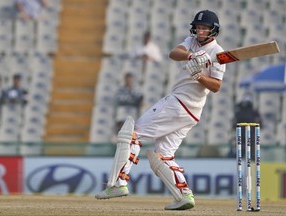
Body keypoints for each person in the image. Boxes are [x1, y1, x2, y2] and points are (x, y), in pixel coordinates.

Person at [95, 10, 226, 211]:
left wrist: (199, 75)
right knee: (163, 155)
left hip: (180, 104)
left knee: (131, 135)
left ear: (213, 30)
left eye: (204, 28)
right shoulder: (191, 42)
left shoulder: (218, 53)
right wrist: (192, 55)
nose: (200, 31)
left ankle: (117, 183)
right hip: (189, 113)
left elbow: (216, 86)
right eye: (198, 27)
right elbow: (174, 53)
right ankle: (184, 196)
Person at [229, 92, 263, 159]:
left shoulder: (241, 112)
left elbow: (260, 124)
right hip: (243, 137)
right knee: (244, 154)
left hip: (249, 137)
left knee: (248, 154)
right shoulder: (252, 112)